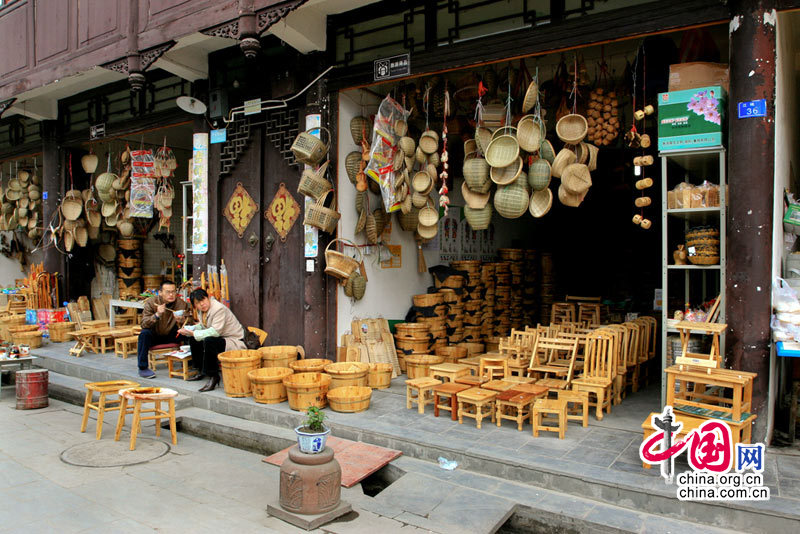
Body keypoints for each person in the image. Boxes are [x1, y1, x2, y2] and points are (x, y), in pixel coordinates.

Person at [178, 288, 246, 392]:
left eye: (203, 300)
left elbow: (215, 332)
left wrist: (193, 333)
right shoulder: (202, 311)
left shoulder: (218, 308)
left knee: (209, 341)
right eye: (198, 303)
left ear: (208, 298)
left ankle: (213, 376)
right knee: (194, 339)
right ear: (194, 305)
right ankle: (200, 370)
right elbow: (204, 325)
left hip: (234, 340)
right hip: (221, 338)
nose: (202, 304)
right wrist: (191, 329)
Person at [137, 280, 191, 379]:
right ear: (160, 292)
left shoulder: (181, 304)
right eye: (167, 292)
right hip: (155, 334)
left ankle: (191, 363)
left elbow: (190, 322)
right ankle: (143, 367)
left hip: (171, 334)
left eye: (173, 291)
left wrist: (182, 321)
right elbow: (144, 324)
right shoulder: (151, 302)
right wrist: (157, 315)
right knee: (144, 334)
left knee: (189, 333)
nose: (171, 294)